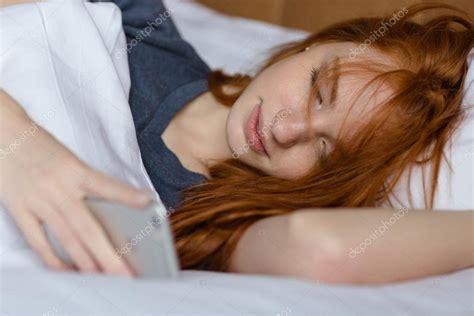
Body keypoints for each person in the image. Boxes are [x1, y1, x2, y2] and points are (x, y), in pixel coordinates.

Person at [0, 0, 472, 284]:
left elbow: (322, 250)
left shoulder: (218, 222)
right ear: (311, 45)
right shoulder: (142, 29)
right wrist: (21, 148)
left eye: (325, 151)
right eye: (317, 90)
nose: (285, 130)